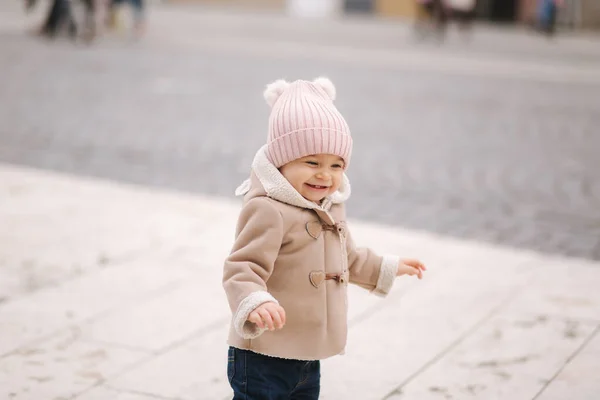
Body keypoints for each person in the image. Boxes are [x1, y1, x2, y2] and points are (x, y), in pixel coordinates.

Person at [222, 77, 427, 399]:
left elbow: (349, 258)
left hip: (307, 352)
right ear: (281, 162)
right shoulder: (268, 209)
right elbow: (242, 266)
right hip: (263, 353)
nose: (325, 174)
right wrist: (255, 301)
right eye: (311, 162)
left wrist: (389, 266)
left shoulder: (330, 207)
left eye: (336, 165)